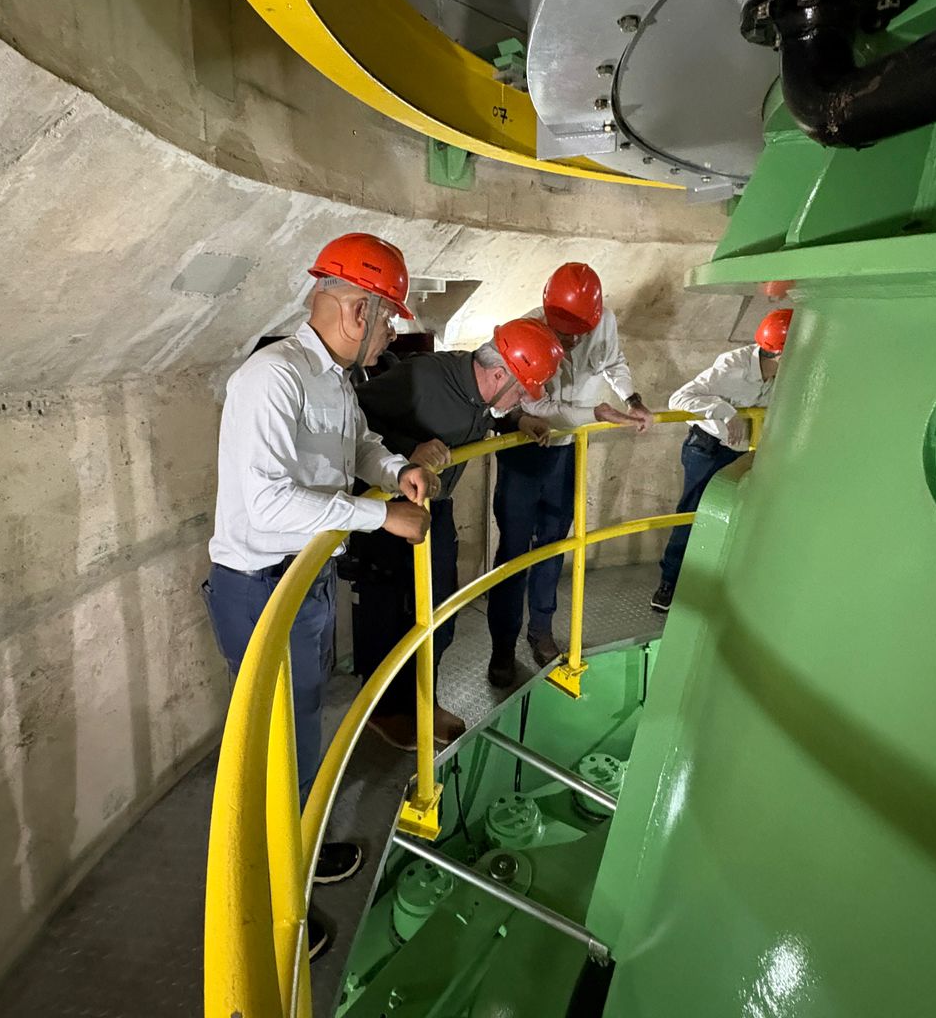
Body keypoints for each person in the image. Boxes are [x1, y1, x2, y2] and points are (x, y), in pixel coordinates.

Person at [201, 232, 438, 962]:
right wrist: (381, 516)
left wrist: (394, 471)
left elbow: (356, 445)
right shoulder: (272, 378)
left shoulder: (331, 377)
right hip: (261, 588)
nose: (391, 333)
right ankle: (274, 916)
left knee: (303, 733)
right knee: (277, 747)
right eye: (387, 318)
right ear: (357, 311)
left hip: (304, 583)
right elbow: (268, 504)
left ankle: (298, 852)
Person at [351, 318, 564, 749]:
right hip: (387, 509)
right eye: (523, 390)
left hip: (434, 505)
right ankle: (385, 712)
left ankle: (423, 703)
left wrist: (517, 419)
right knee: (389, 613)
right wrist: (407, 449)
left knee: (438, 615)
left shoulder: (483, 391)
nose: (526, 397)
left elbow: (487, 413)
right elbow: (353, 412)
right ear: (499, 374)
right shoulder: (424, 378)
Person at [485, 263, 654, 687]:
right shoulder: (522, 331)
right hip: (526, 451)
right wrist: (595, 413)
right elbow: (524, 407)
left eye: (581, 332)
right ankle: (502, 648)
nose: (573, 341)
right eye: (564, 332)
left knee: (555, 545)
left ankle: (541, 631)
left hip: (569, 452)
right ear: (546, 312)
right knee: (513, 554)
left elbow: (613, 362)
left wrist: (632, 398)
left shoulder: (604, 322)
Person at [652, 307, 793, 613]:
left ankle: (719, 587)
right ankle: (669, 584)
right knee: (691, 515)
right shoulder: (732, 367)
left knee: (734, 520)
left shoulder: (783, 378)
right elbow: (678, 399)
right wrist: (725, 411)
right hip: (707, 449)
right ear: (782, 354)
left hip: (743, 454)